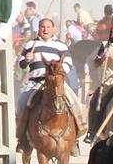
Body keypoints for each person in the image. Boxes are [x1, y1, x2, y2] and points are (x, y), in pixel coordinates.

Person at [14, 18, 83, 149]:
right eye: (42, 27)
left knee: (76, 104)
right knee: (21, 104)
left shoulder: (61, 46)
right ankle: (22, 139)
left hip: (56, 82)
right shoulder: (30, 45)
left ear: (53, 29)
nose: (45, 30)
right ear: (38, 29)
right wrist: (27, 60)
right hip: (36, 82)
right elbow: (21, 65)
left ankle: (75, 138)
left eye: (48, 27)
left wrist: (57, 71)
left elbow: (68, 64)